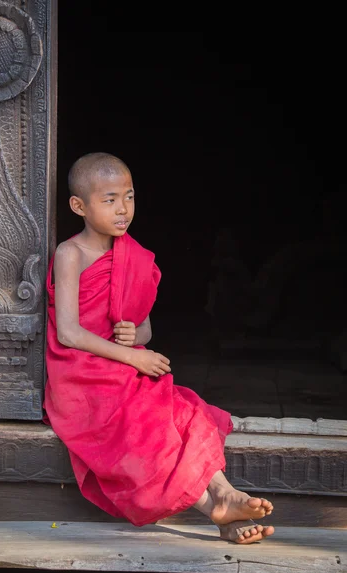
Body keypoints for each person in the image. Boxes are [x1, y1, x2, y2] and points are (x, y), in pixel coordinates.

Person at [44, 152, 275, 544]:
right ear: (78, 206)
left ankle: (223, 496)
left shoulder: (133, 257)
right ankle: (214, 505)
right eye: (110, 199)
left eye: (130, 197)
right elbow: (68, 332)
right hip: (81, 378)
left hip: (119, 366)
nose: (123, 210)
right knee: (145, 426)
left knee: (182, 410)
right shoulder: (72, 254)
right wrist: (134, 356)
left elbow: (144, 328)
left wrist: (135, 337)